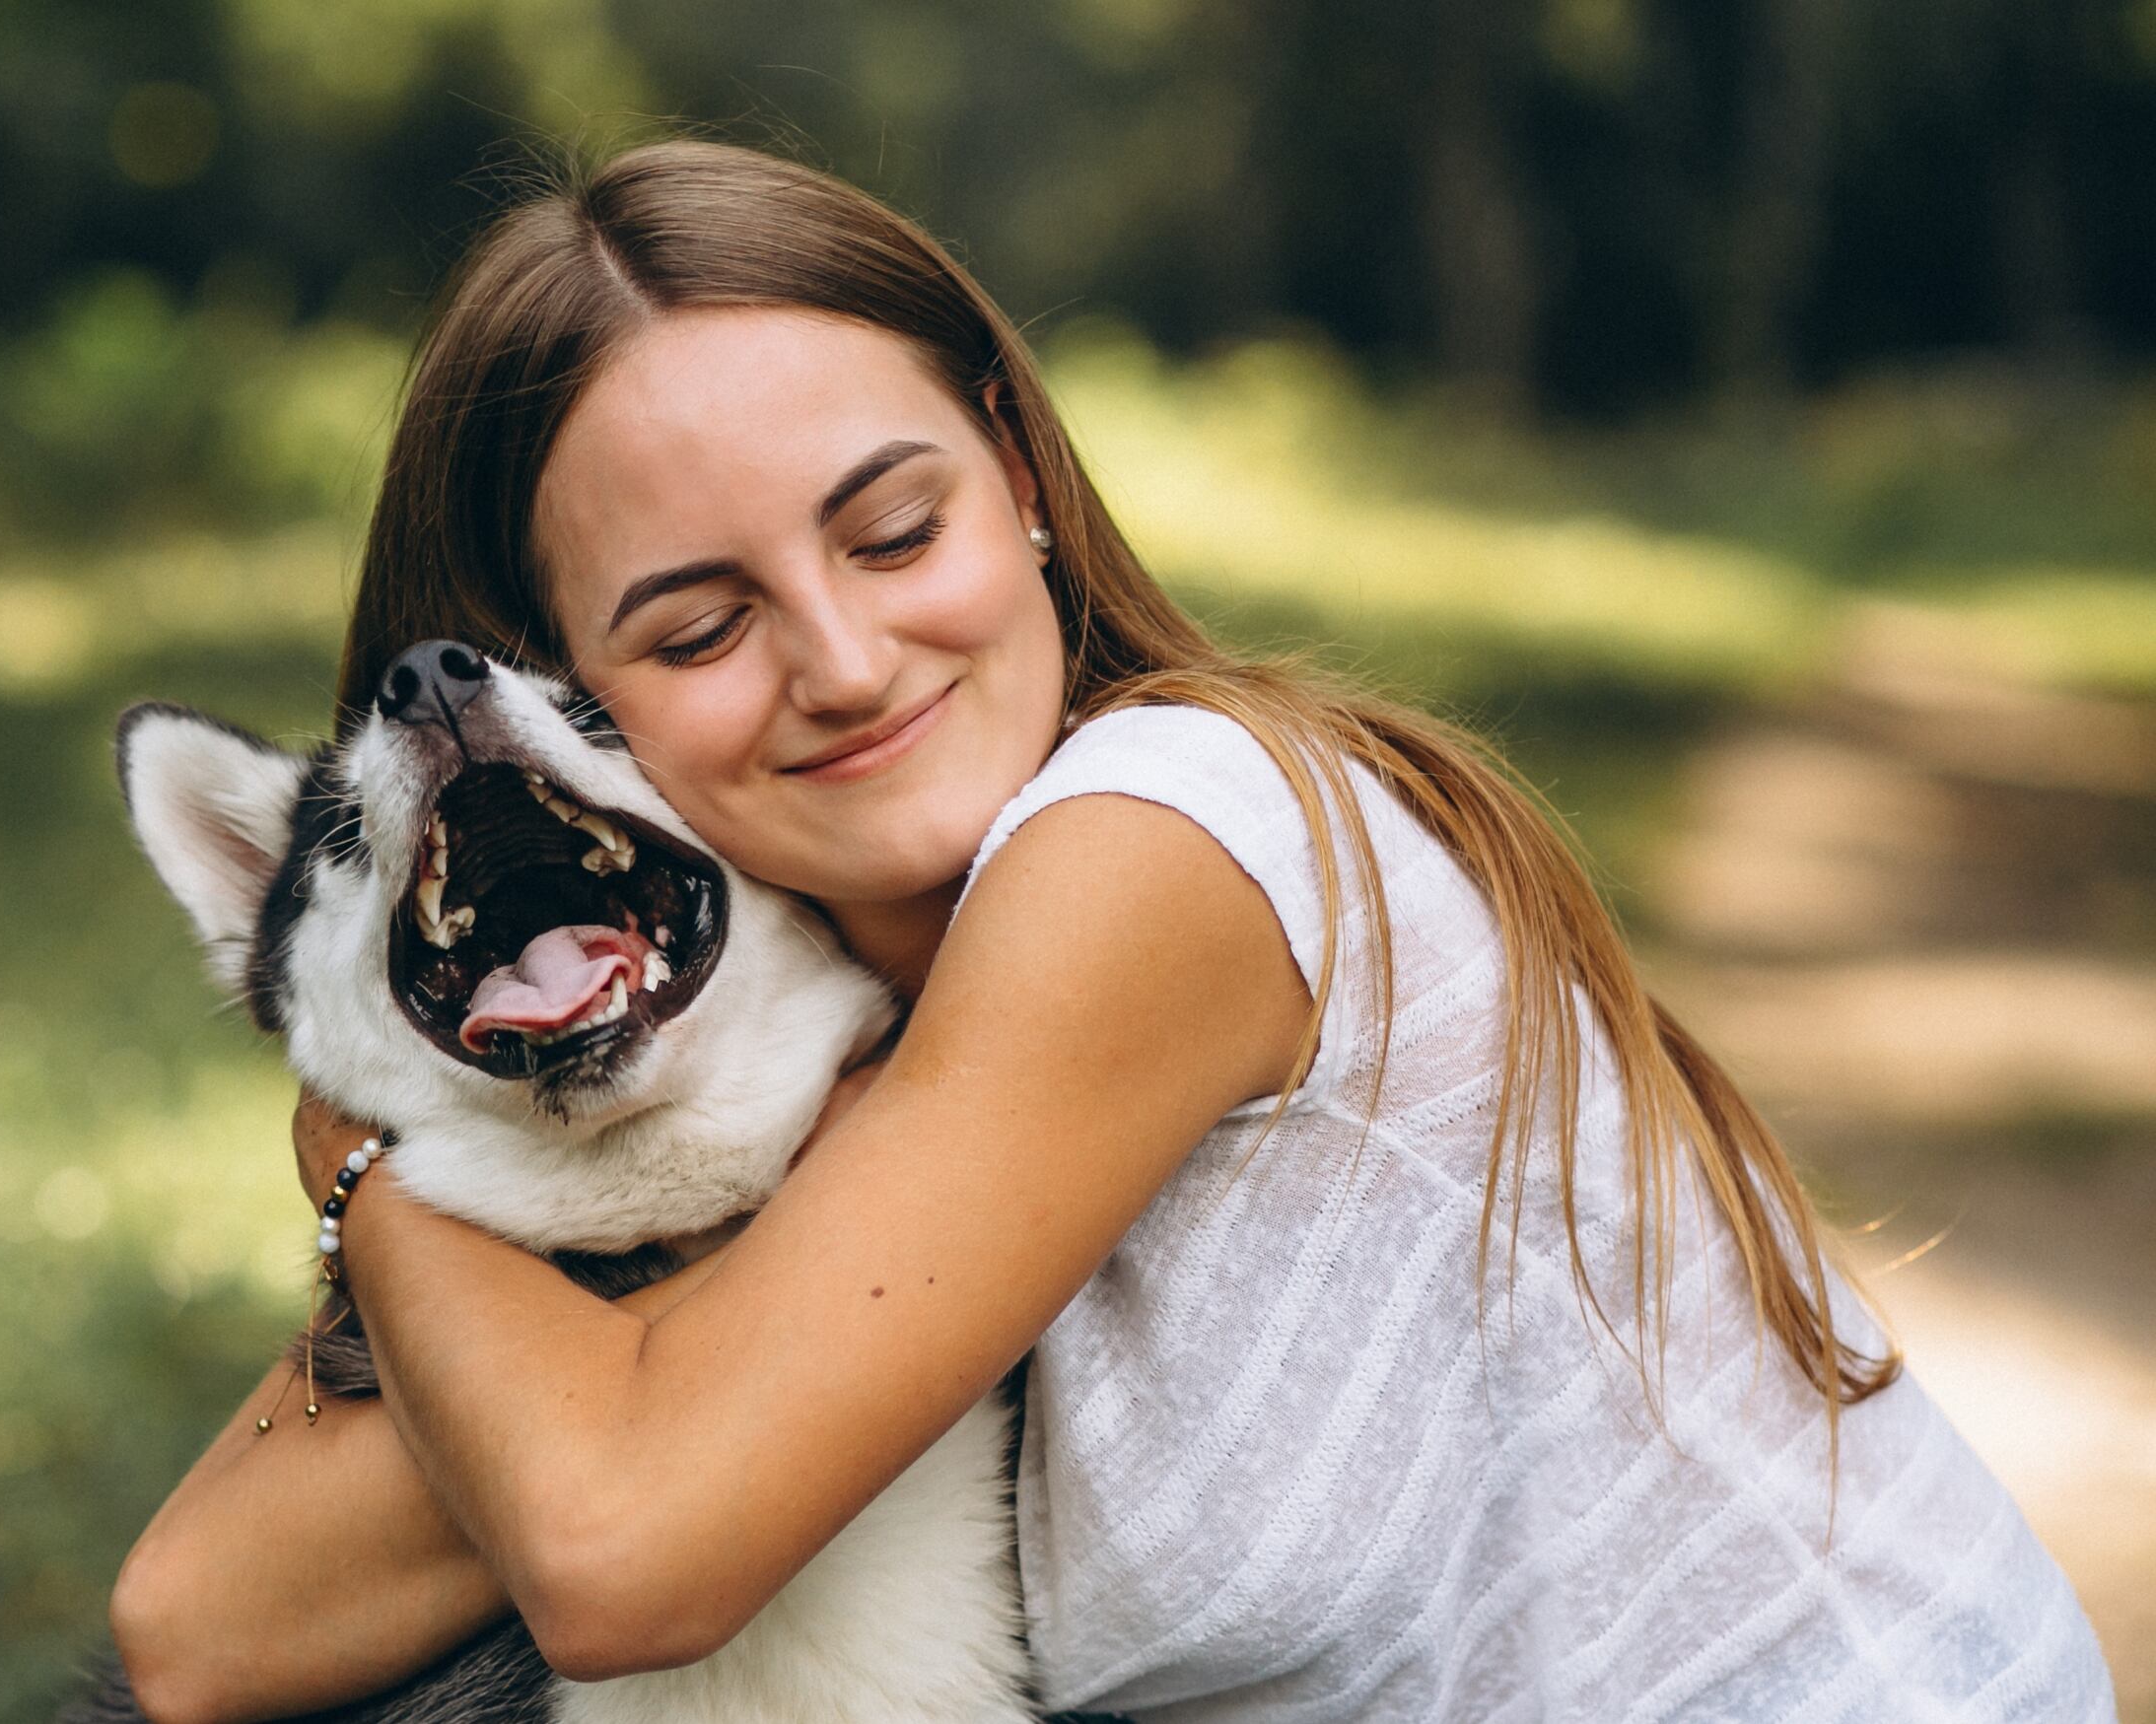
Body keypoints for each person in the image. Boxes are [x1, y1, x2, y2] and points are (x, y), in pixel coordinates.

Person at [107, 139, 2115, 1722]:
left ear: (1017, 470)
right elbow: (196, 1627)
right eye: (699, 628)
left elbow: (621, 1548)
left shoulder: (1162, 840)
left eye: (895, 529)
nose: (842, 660)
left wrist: (364, 1142)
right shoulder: (785, 1041)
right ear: (572, 713)